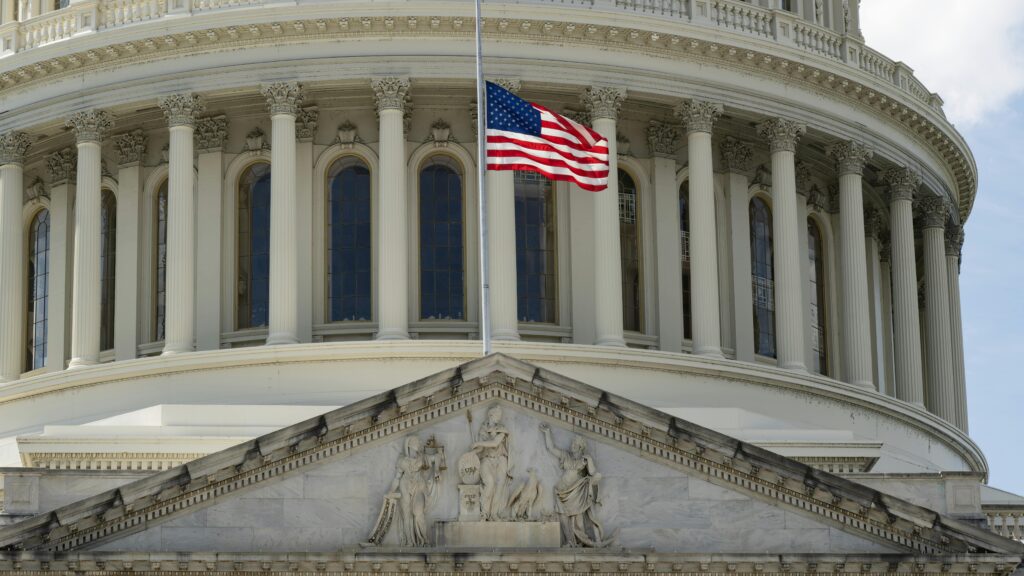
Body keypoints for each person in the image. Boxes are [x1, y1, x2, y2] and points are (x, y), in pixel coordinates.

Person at [539, 423, 612, 547]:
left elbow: (594, 473)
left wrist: (589, 461)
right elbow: (551, 449)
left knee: (578, 520)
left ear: (580, 447)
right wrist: (547, 433)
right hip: (561, 491)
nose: (572, 445)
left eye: (575, 444)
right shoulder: (566, 456)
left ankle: (582, 540)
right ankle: (569, 541)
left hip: (577, 491)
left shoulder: (584, 459)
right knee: (563, 517)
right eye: (572, 443)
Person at [388, 436, 441, 546]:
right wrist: (391, 491)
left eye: (418, 441)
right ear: (409, 445)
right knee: (406, 515)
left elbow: (437, 457)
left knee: (418, 513)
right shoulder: (402, 461)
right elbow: (397, 478)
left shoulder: (422, 458)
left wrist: (436, 471)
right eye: (416, 442)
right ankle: (410, 542)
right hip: (405, 486)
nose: (419, 443)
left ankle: (424, 540)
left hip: (419, 486)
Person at [471, 406, 512, 521]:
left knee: (499, 485)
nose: (499, 417)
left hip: (500, 459)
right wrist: (472, 452)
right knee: (489, 483)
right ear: (490, 415)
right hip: (487, 459)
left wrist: (478, 443)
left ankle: (494, 513)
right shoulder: (483, 429)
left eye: (500, 415)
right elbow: (480, 449)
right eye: (497, 414)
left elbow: (495, 443)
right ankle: (484, 513)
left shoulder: (502, 428)